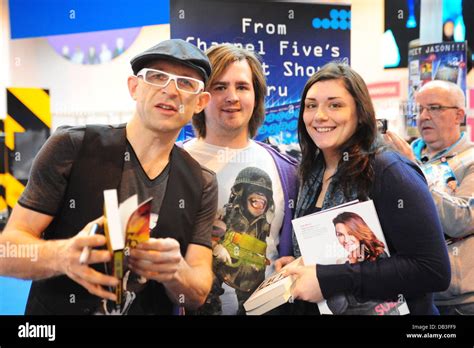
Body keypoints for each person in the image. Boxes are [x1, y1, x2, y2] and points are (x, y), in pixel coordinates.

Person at [0, 39, 218, 315]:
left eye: (186, 83)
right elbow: (7, 252)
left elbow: (198, 291)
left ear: (200, 102)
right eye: (157, 76)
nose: (170, 90)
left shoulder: (201, 182)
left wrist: (176, 271)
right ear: (134, 87)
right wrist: (62, 256)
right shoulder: (72, 147)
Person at [275, 62, 450, 315]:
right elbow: (333, 255)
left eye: (335, 105)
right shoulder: (310, 173)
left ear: (360, 113)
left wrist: (328, 279)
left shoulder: (388, 170)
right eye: (311, 105)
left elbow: (432, 270)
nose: (320, 116)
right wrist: (300, 266)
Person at [183, 44, 298, 315]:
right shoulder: (174, 163)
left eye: (242, 87)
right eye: (220, 87)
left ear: (256, 97)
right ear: (201, 97)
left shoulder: (286, 169)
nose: (231, 97)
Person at [385, 79, 474, 315]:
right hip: (409, 298)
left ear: (459, 115)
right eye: (419, 109)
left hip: (461, 302)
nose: (423, 116)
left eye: (434, 108)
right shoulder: (396, 158)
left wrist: (411, 168)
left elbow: (461, 219)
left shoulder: (470, 159)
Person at [327, 212, 400, 315]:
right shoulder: (343, 265)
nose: (346, 240)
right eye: (340, 235)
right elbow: (336, 307)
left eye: (350, 233)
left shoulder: (378, 255)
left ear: (359, 231)